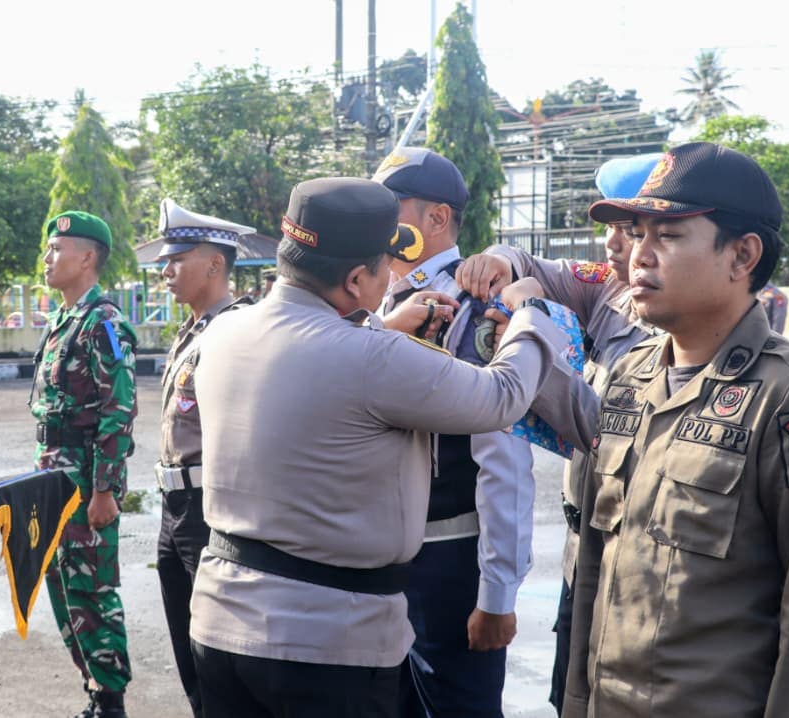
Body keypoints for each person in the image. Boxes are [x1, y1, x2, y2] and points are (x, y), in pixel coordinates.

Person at [188, 177, 588, 718]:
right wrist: (532, 311)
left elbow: (322, 357)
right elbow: (502, 396)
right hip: (323, 647)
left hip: (220, 623)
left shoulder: (224, 331)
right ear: (356, 279)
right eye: (384, 268)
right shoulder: (374, 357)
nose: (392, 278)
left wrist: (383, 326)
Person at [565, 142, 789, 717]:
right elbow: (592, 571)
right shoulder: (629, 378)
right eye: (637, 233)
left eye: (669, 235)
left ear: (742, 255)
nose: (639, 255)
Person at [373, 147, 596, 718]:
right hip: (384, 559)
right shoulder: (382, 304)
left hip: (448, 563)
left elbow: (503, 461)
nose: (378, 221)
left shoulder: (477, 309)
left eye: (391, 207)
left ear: (437, 218)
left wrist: (497, 591)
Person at [453, 152, 662, 716]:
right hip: (584, 545)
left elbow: (608, 432)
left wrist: (530, 333)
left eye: (632, 230)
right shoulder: (610, 289)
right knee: (573, 695)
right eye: (612, 229)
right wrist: (496, 262)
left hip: (637, 551)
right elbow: (526, 264)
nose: (614, 245)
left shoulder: (678, 324)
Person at [153, 198, 257, 718]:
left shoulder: (238, 329)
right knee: (188, 647)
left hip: (210, 507)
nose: (166, 271)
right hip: (173, 507)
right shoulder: (193, 329)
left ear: (216, 264)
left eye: (177, 260)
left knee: (222, 651)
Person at [32, 211, 137, 718]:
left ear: (88, 257)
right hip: (53, 477)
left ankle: (111, 701)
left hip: (84, 478)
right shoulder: (63, 320)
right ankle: (94, 691)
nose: (47, 258)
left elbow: (118, 411)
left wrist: (104, 490)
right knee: (62, 585)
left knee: (92, 588)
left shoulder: (104, 322)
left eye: (58, 249)